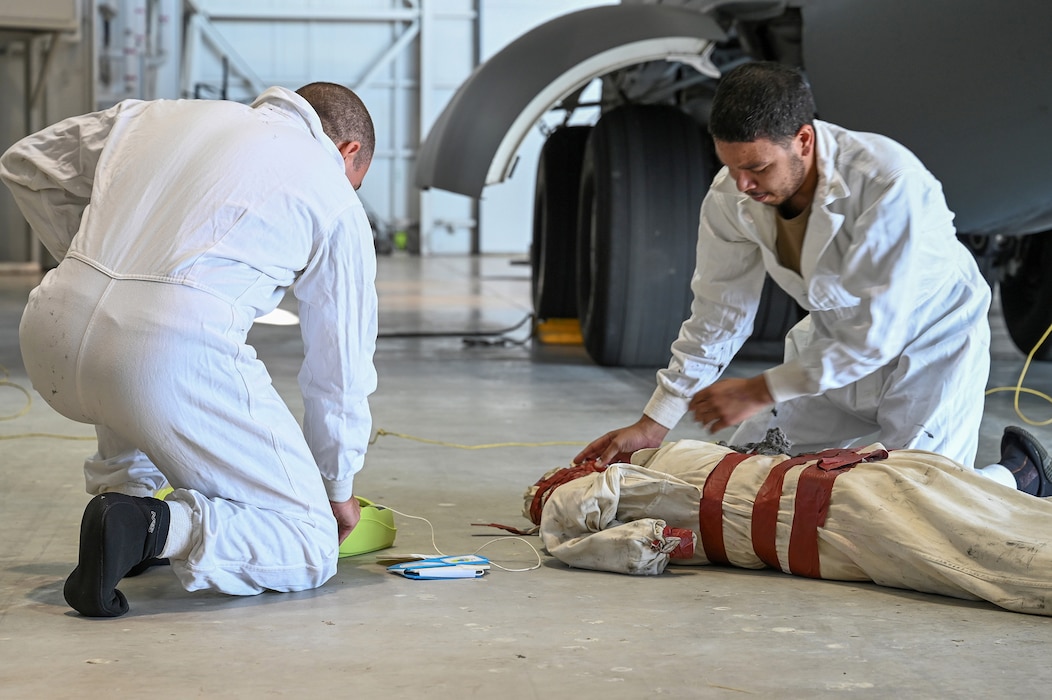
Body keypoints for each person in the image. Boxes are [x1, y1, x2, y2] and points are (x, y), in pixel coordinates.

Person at [0, 82, 378, 617]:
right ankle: (149, 528)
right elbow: (338, 362)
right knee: (308, 541)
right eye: (356, 182)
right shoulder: (332, 190)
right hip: (161, 356)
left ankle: (125, 496)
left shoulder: (154, 117)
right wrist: (335, 484)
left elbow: (26, 162)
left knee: (131, 353)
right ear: (349, 152)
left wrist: (84, 264)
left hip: (48, 331)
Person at [576, 62, 992, 474]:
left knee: (917, 499)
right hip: (828, 344)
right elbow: (717, 316)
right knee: (746, 474)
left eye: (757, 167)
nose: (742, 185)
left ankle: (1017, 473)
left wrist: (759, 390)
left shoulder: (888, 183)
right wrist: (654, 422)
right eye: (731, 166)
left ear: (804, 140)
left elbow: (875, 333)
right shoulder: (731, 196)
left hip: (931, 343)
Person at [532, 427, 1052, 617]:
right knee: (985, 549)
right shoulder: (594, 495)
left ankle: (1015, 479)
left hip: (847, 480)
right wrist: (647, 539)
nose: (580, 465)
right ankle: (1015, 480)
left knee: (980, 516)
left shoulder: (652, 461)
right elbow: (571, 529)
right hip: (832, 512)